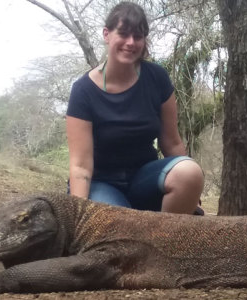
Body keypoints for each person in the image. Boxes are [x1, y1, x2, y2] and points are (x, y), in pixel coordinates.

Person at [66, 1, 204, 215]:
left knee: (190, 172)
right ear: (106, 34)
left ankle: (165, 243)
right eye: (123, 34)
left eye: (137, 36)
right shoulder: (83, 91)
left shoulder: (157, 78)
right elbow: (80, 167)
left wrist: (191, 192)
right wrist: (77, 214)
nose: (131, 42)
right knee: (120, 223)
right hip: (102, 183)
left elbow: (172, 142)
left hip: (144, 178)